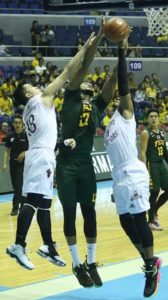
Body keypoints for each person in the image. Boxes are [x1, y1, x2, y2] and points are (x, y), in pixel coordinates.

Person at [6, 32, 96, 270]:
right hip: (41, 157)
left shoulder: (28, 112)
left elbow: (45, 134)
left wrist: (62, 143)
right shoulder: (42, 98)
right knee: (33, 201)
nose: (36, 86)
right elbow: (67, 71)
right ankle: (18, 245)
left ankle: (48, 245)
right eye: (32, 86)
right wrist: (85, 49)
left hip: (41, 153)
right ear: (28, 94)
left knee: (44, 203)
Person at [55, 19, 117, 289]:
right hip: (66, 166)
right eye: (85, 88)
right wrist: (100, 38)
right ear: (77, 90)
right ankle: (76, 263)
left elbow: (111, 86)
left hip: (85, 166)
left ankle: (91, 263)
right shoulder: (69, 98)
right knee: (70, 215)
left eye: (91, 89)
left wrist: (122, 57)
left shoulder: (96, 108)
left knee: (90, 214)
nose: (89, 89)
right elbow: (82, 68)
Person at [104, 38, 162, 298]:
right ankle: (149, 259)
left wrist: (120, 51)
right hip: (119, 177)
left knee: (139, 221)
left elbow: (123, 81)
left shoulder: (126, 113)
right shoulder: (107, 127)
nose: (118, 95)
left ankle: (150, 268)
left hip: (133, 173)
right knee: (125, 223)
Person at [140, 109, 168, 230]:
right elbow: (142, 152)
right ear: (147, 119)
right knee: (154, 191)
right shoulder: (145, 133)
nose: (153, 118)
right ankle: (151, 221)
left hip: (160, 164)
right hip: (151, 164)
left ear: (159, 118)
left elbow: (164, 149)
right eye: (151, 116)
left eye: (155, 116)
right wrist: (144, 168)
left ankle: (153, 210)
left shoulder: (162, 132)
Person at [3, 115, 28, 215]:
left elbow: (33, 148)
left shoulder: (26, 135)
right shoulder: (10, 136)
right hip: (13, 163)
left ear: (22, 124)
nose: (17, 125)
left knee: (19, 185)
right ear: (13, 124)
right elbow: (6, 150)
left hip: (23, 164)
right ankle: (23, 205)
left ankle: (15, 208)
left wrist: (25, 152)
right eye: (15, 123)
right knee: (16, 186)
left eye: (19, 123)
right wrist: (4, 163)